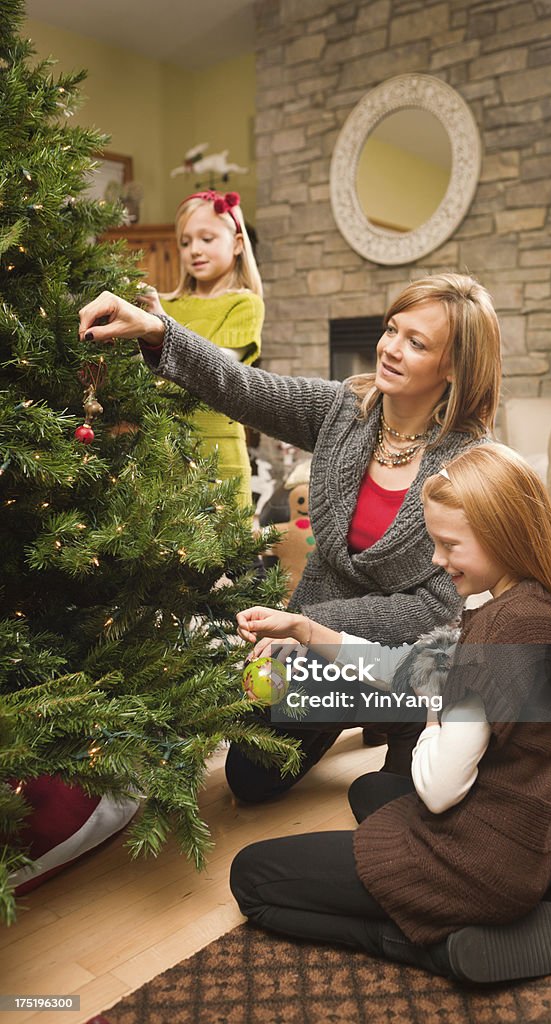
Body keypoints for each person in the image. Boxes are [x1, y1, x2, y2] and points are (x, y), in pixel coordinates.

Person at [78, 273, 501, 796]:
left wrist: (305, 624)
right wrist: (156, 329)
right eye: (392, 329)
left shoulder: (470, 464)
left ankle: (398, 717)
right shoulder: (345, 410)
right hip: (314, 644)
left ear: (455, 365)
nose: (390, 349)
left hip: (402, 661)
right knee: (250, 778)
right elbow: (247, 390)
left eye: (416, 343)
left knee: (398, 800)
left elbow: (434, 610)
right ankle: (353, 711)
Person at [229, 443, 551, 986]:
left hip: (476, 868)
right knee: (369, 792)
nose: (436, 560)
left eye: (448, 545)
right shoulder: (526, 602)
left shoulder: (504, 631)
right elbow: (404, 667)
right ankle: (541, 857)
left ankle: (449, 946)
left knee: (253, 879)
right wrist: (305, 631)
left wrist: (436, 707)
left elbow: (438, 790)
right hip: (510, 827)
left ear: (503, 534)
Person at [144, 190, 264, 506]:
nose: (194, 250)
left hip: (219, 454)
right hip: (163, 451)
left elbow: (221, 366)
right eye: (185, 242)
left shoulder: (244, 303)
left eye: (207, 239)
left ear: (237, 244)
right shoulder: (164, 305)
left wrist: (160, 329)